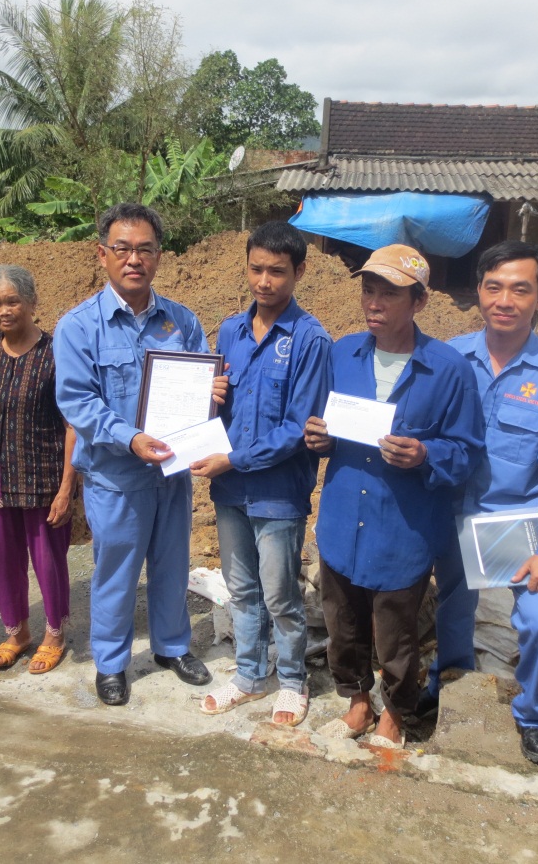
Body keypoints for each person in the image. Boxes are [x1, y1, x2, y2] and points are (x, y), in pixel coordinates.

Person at [304, 245, 484, 748]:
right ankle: (358, 702)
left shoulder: (448, 370)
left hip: (401, 530)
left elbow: (466, 452)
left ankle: (396, 714)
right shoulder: (342, 354)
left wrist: (424, 454)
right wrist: (319, 438)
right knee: (343, 625)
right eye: (369, 290)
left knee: (396, 636)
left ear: (419, 302)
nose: (375, 303)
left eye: (390, 293)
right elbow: (326, 427)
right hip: (343, 519)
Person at [422, 240, 538, 767]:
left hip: (526, 521)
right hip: (455, 513)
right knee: (453, 609)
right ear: (478, 292)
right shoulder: (451, 357)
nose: (505, 299)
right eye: (493, 286)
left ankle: (536, 712)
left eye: (521, 288)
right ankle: (447, 677)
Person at [53, 203, 227, 707]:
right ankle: (111, 662)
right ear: (102, 254)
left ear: (158, 256)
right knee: (117, 572)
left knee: (173, 565)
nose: (135, 259)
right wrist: (131, 439)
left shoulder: (182, 320)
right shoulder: (79, 327)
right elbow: (78, 403)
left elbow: (199, 384)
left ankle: (172, 647)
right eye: (123, 249)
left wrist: (212, 390)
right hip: (116, 477)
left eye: (145, 249)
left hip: (172, 474)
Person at [190, 221, 331, 726]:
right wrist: (205, 403)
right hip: (229, 488)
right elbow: (219, 408)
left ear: (299, 272)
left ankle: (292, 681)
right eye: (256, 269)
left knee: (280, 594)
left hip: (276, 491)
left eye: (277, 271)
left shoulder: (310, 339)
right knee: (241, 587)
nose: (264, 281)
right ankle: (250, 674)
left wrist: (233, 458)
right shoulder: (229, 329)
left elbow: (299, 427)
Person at [0, 265, 77, 675]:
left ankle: (55, 633)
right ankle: (17, 631)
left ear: (31, 302)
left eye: (12, 301)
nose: (4, 310)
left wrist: (66, 488)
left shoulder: (56, 352)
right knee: (4, 559)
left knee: (48, 560)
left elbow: (71, 425)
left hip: (43, 478)